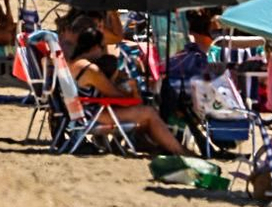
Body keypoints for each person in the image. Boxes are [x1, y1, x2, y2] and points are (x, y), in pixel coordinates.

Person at [66, 27, 191, 156]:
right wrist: (132, 89)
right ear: (94, 47)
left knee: (144, 119)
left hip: (81, 113)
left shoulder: (73, 64)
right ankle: (179, 151)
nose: (103, 51)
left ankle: (159, 147)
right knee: (149, 113)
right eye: (102, 47)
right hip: (93, 115)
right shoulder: (90, 69)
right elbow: (116, 95)